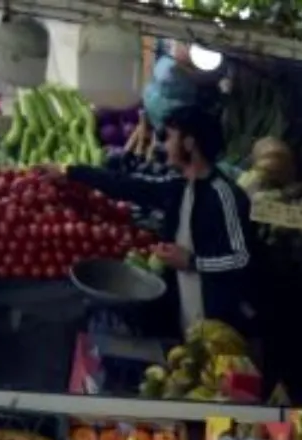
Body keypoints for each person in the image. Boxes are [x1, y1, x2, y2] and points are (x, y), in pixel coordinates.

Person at [67, 104, 256, 340]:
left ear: (189, 143)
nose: (163, 145)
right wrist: (70, 172)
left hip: (217, 326)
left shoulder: (225, 195)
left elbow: (241, 258)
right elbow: (127, 185)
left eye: (169, 138)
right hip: (182, 319)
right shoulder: (179, 187)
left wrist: (191, 262)